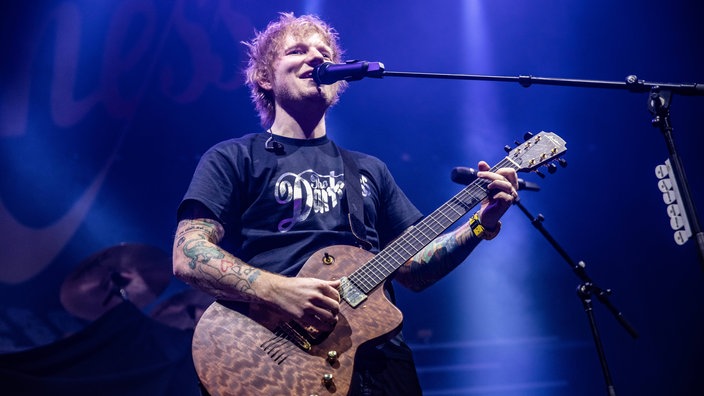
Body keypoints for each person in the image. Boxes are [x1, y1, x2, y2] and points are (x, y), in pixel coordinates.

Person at [172, 12, 518, 395]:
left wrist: (480, 224)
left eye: (324, 52)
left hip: (378, 357)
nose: (316, 58)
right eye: (298, 50)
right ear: (265, 78)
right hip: (271, 356)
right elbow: (189, 254)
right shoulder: (234, 157)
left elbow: (414, 269)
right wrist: (279, 291)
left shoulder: (368, 169)